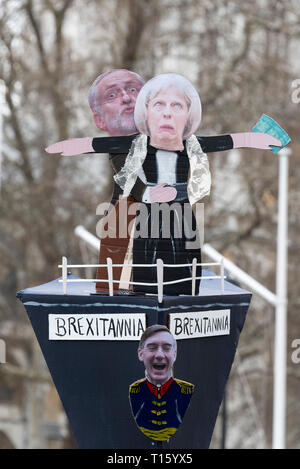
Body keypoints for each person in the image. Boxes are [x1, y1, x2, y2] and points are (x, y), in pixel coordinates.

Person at [46, 73, 282, 296]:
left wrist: (253, 139)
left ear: (189, 116)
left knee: (185, 262)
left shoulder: (191, 145)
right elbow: (98, 144)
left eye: (177, 106)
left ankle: (183, 297)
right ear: (146, 113)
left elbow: (224, 141)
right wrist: (70, 146)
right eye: (159, 104)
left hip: (180, 213)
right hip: (147, 216)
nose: (167, 113)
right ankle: (143, 296)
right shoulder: (137, 144)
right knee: (145, 264)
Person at [129, 325, 194, 442]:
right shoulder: (134, 391)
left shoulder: (187, 391)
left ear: (174, 354)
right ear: (141, 354)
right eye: (152, 347)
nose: (159, 355)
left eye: (166, 348)